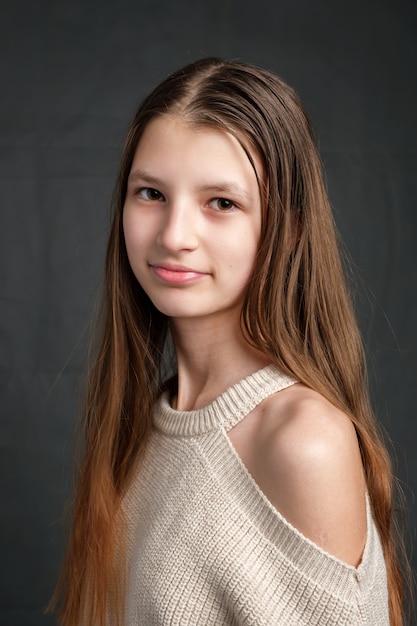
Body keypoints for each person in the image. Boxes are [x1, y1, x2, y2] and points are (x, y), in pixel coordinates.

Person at [50, 58, 407, 625]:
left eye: (221, 203)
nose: (174, 236)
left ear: (287, 228)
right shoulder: (144, 424)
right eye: (150, 193)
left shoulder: (302, 441)